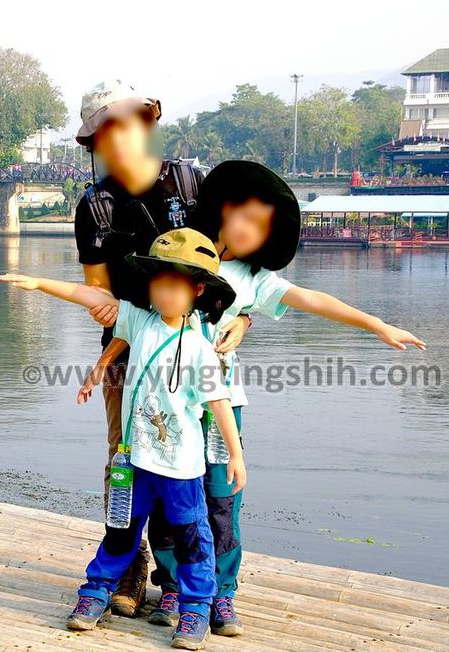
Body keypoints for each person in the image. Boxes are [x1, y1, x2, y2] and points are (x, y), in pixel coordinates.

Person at [76, 160, 425, 636]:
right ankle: (175, 584)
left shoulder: (254, 280)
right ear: (223, 209)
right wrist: (100, 364)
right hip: (166, 406)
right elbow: (129, 313)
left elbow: (313, 300)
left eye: (260, 226)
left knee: (221, 497)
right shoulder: (181, 254)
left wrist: (377, 325)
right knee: (167, 496)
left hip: (219, 405)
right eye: (242, 214)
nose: (246, 229)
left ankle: (221, 593)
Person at [0, 228, 244, 650]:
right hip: (134, 462)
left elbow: (219, 404)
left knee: (191, 538)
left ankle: (196, 609)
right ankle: (95, 592)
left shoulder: (202, 348)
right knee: (120, 531)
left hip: (181, 469)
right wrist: (39, 283)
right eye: (159, 284)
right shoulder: (138, 320)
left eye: (176, 286)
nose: (166, 294)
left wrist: (235, 455)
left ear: (197, 290)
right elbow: (92, 296)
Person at [72, 80, 250, 616]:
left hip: (197, 352)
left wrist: (241, 317)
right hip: (129, 353)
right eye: (105, 131)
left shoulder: (192, 185)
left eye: (126, 124)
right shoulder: (95, 206)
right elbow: (97, 288)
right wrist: (114, 315)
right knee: (124, 460)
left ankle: (195, 584)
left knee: (196, 469)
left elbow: (232, 266)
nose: (118, 139)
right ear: (95, 144)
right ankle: (127, 573)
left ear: (147, 123)